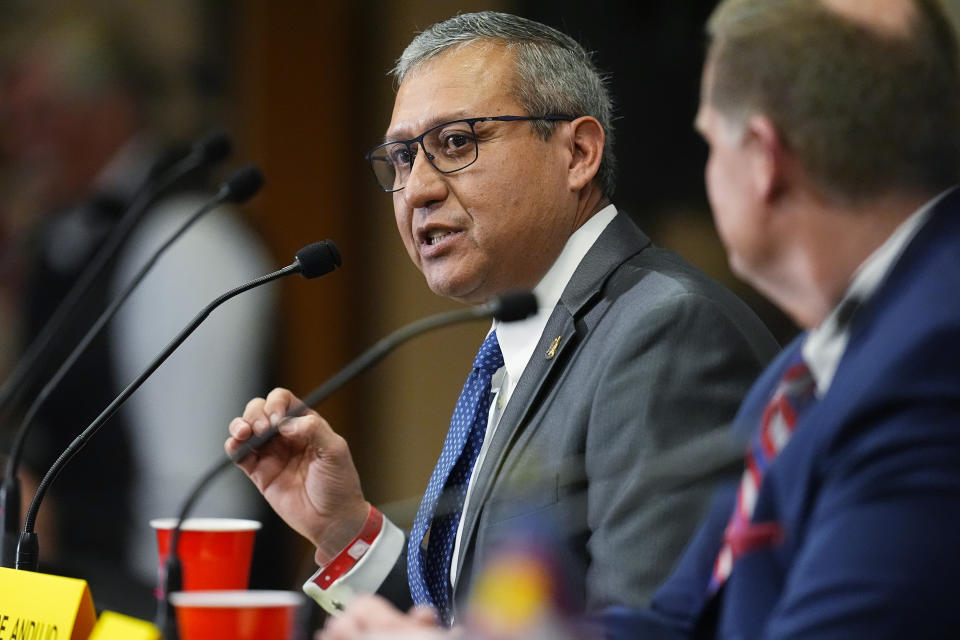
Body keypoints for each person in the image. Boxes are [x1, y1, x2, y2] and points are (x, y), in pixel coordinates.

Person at [226, 10, 778, 631]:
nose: (417, 190)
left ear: (578, 152)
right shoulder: (527, 334)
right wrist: (347, 528)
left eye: (456, 142)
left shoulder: (662, 332)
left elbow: (647, 626)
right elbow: (471, 620)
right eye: (402, 159)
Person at [597, 0, 960, 637]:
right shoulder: (801, 373)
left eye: (710, 139)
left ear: (764, 158)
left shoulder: (934, 359)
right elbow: (682, 623)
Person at [0, 10, 278, 616]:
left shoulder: (186, 241)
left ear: (113, 109)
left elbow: (198, 491)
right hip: (69, 598)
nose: (20, 142)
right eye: (13, 119)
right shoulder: (55, 235)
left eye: (41, 116)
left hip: (149, 606)